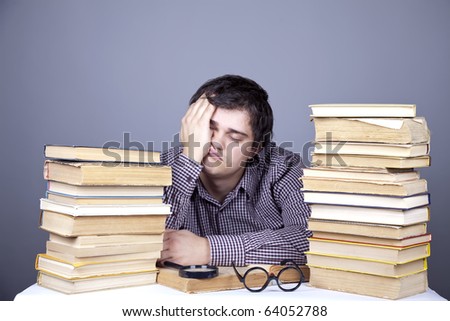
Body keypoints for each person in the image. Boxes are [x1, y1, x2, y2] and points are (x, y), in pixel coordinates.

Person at [159, 74, 311, 267]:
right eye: (208, 128)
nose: (216, 143)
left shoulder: (285, 169)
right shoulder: (164, 166)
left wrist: (207, 250)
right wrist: (190, 155)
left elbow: (311, 240)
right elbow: (144, 241)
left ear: (256, 148)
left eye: (235, 138)